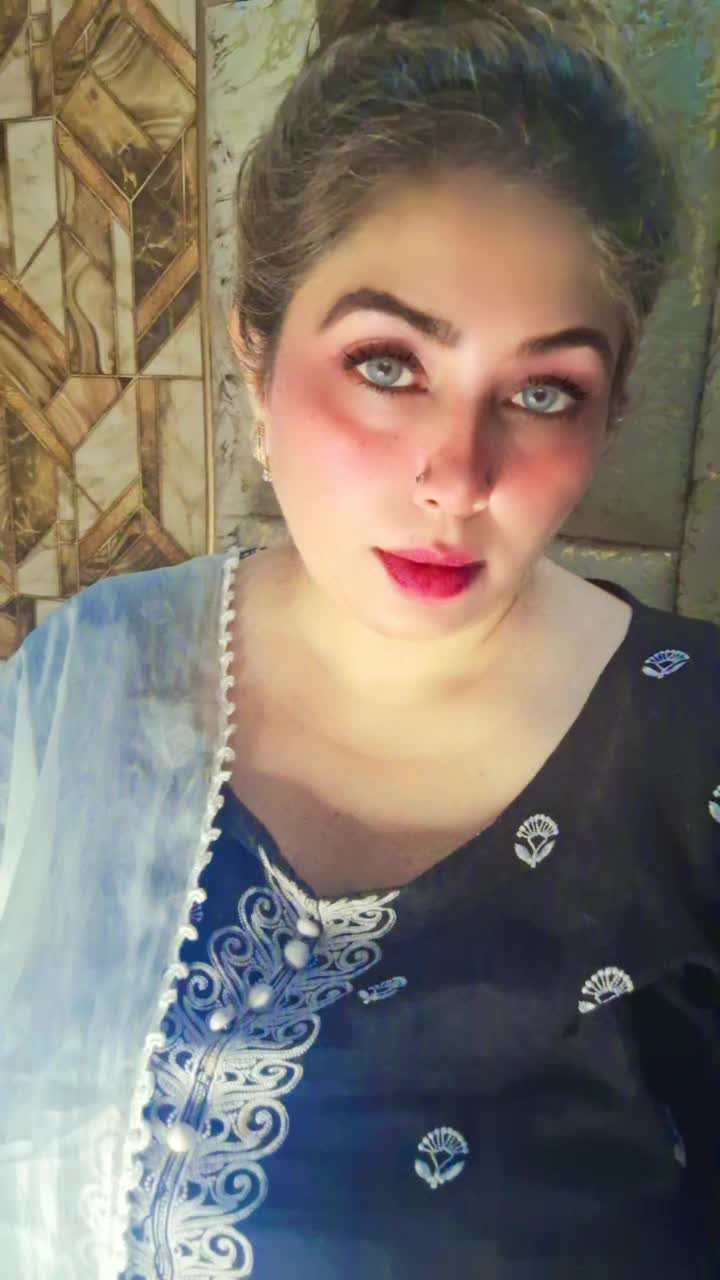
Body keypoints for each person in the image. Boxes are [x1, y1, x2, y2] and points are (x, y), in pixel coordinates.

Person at [0, 0, 718, 1276]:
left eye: (542, 390)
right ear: (256, 358)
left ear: (606, 419)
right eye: (388, 364)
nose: (460, 475)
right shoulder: (91, 682)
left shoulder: (692, 749)